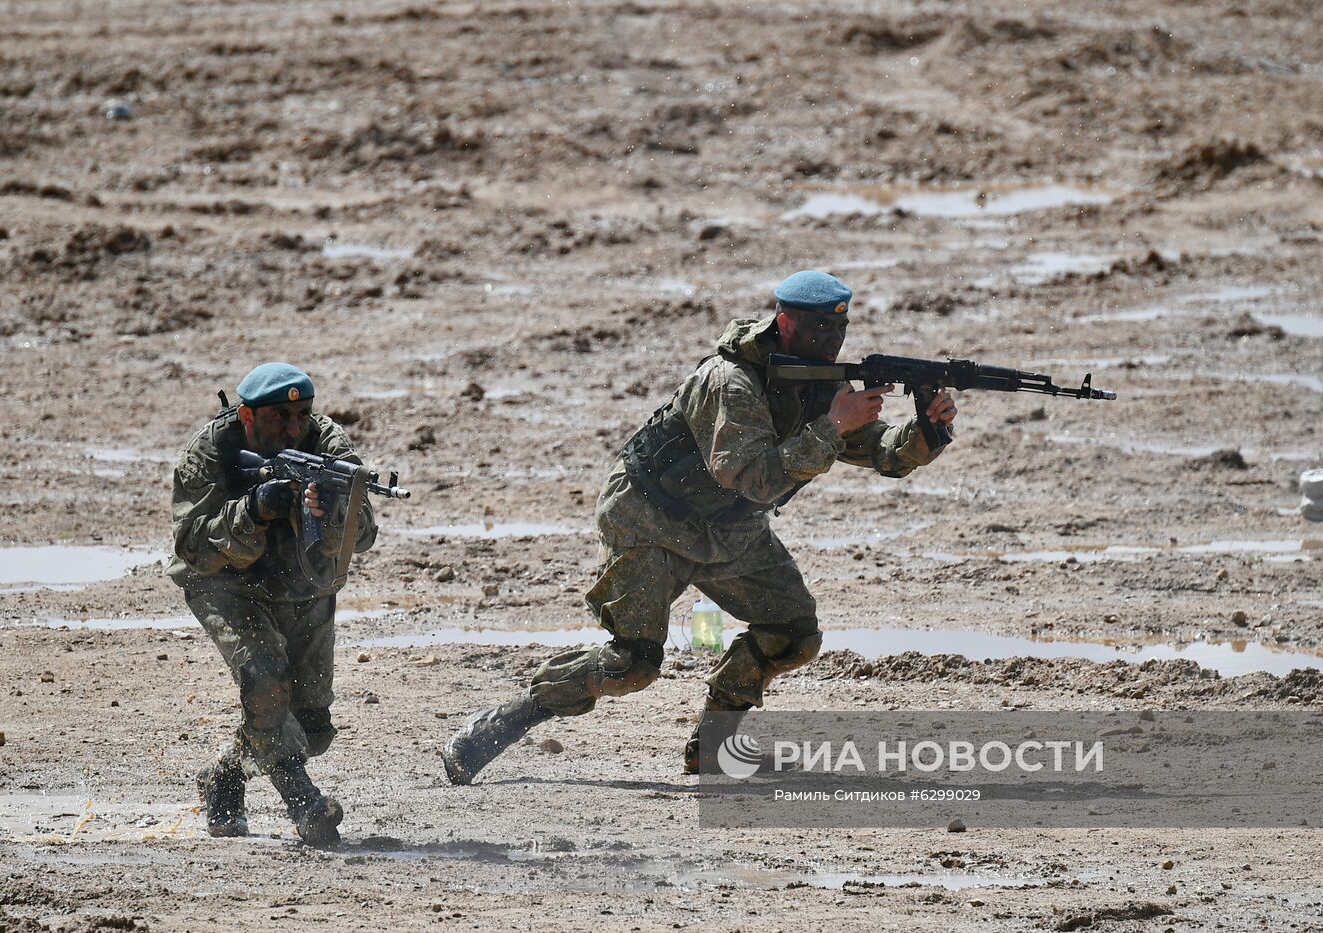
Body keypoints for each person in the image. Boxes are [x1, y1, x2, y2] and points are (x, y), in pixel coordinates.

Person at [441, 270, 957, 783]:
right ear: (782, 321)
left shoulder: (820, 383)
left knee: (792, 633)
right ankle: (499, 725)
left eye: (837, 331)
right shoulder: (730, 382)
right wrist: (833, 425)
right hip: (652, 521)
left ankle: (711, 745)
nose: (830, 343)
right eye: (818, 330)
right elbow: (754, 478)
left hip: (729, 531)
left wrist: (928, 428)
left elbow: (885, 455)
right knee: (632, 664)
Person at [169, 362, 377, 846]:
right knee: (265, 680)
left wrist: (331, 514)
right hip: (224, 583)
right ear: (246, 415)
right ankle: (304, 804)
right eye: (279, 418)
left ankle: (225, 772)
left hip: (303, 585)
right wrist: (253, 509)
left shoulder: (327, 443)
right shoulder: (211, 451)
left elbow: (363, 534)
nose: (293, 427)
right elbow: (192, 545)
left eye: (301, 414)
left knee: (311, 727)